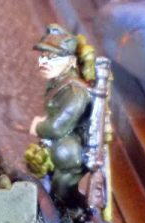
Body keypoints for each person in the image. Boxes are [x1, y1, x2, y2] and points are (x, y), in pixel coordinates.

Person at [28, 24, 91, 206]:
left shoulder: (74, 92)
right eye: (43, 55)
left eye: (53, 57)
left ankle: (65, 210)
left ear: (71, 61)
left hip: (72, 153)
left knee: (62, 187)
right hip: (59, 146)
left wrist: (38, 126)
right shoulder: (58, 81)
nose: (43, 62)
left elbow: (57, 127)